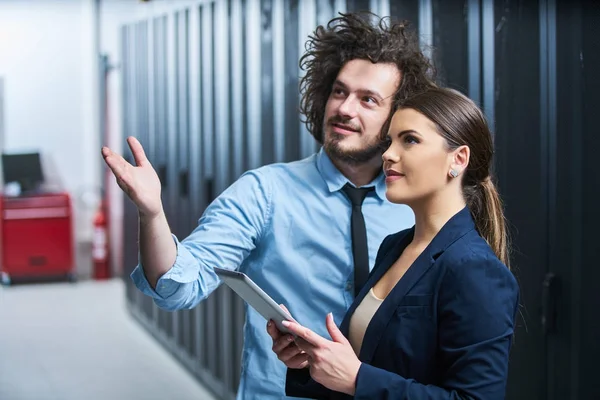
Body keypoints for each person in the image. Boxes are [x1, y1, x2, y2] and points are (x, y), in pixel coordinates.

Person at [101, 12, 435, 400]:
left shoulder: (416, 205)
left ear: (399, 118)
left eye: (368, 100)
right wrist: (152, 213)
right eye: (339, 92)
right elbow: (179, 287)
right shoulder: (265, 192)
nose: (345, 108)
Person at [269, 87, 520, 399]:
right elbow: (371, 362)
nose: (388, 154)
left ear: (458, 159)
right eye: (390, 141)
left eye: (410, 140)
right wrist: (311, 362)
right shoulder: (395, 247)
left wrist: (357, 379)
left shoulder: (474, 269)